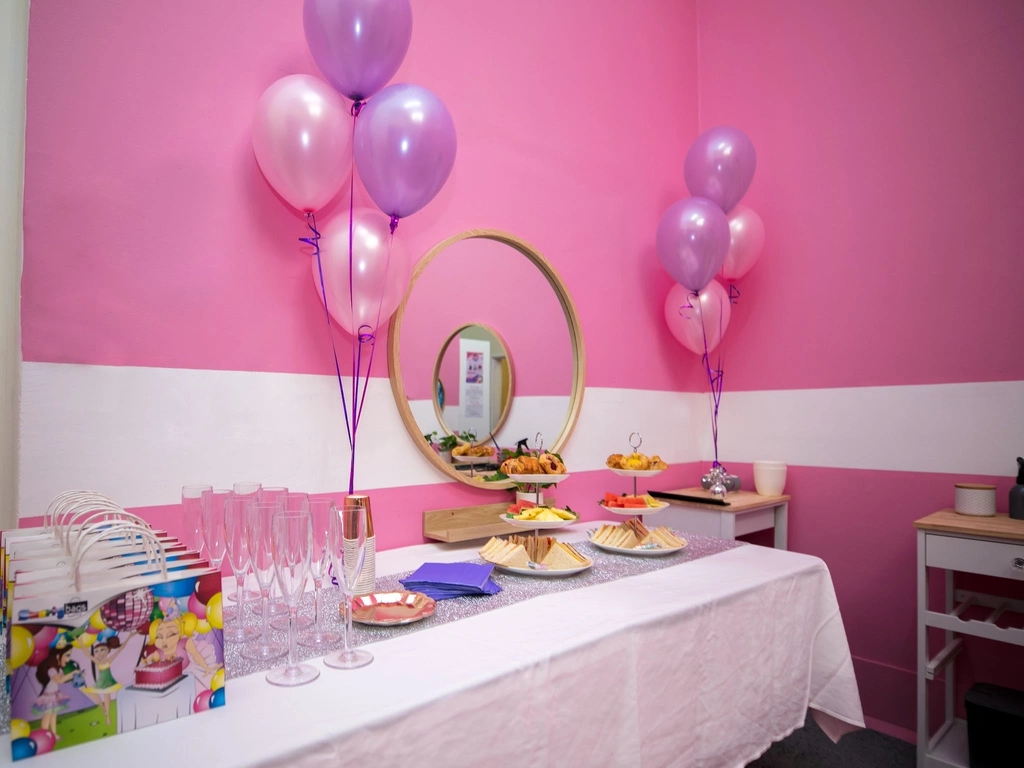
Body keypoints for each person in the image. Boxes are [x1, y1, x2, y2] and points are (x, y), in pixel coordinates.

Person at [142, 616, 219, 690]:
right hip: (170, 682)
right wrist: (147, 662)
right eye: (159, 637)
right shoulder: (158, 653)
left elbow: (196, 655)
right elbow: (150, 664)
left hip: (189, 674)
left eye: (170, 635)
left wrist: (206, 668)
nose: (164, 641)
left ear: (179, 634)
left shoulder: (185, 643)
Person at [82, 629, 133, 725]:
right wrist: (81, 644)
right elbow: (88, 655)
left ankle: (108, 717)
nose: (99, 653)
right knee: (92, 694)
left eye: (102, 650)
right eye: (96, 651)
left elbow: (120, 649)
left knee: (107, 697)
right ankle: (103, 708)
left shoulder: (108, 660)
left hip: (109, 681)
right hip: (101, 681)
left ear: (108, 650)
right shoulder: (97, 661)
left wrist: (129, 637)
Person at [33, 645, 76, 740]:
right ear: (58, 655)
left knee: (54, 715)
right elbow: (58, 680)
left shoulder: (57, 668)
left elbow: (62, 679)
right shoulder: (52, 669)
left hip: (55, 694)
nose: (68, 659)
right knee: (47, 715)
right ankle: (44, 735)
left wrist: (74, 676)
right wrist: (72, 674)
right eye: (67, 655)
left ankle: (54, 734)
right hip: (48, 696)